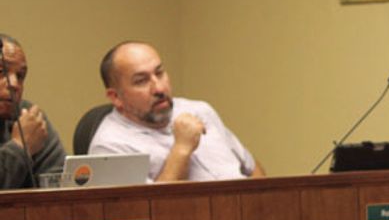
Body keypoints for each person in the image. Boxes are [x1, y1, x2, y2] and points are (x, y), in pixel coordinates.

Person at [89, 41, 265, 182]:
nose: (159, 88)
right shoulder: (109, 147)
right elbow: (148, 212)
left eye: (160, 73)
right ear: (115, 97)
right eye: (141, 81)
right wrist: (181, 149)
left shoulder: (200, 110)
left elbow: (252, 168)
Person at [0, 34, 66, 189]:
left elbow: (57, 183)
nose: (14, 84)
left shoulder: (28, 118)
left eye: (20, 76)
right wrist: (20, 147)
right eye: (1, 71)